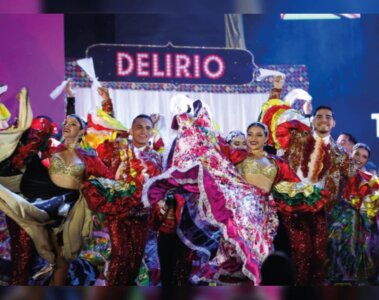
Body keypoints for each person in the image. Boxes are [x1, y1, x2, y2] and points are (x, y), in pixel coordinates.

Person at [0, 88, 113, 285]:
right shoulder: (53, 148)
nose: (68, 125)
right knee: (28, 256)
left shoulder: (90, 156)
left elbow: (108, 181)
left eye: (73, 124)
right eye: (66, 123)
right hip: (38, 207)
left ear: (83, 130)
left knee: (61, 259)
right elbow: (26, 141)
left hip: (69, 213)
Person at [260, 78, 356, 285]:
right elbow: (273, 121)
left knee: (319, 254)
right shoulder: (299, 139)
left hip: (321, 206)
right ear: (312, 121)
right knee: (301, 251)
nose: (323, 120)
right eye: (319, 116)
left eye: (328, 117)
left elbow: (352, 177)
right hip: (293, 204)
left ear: (333, 123)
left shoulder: (339, 152)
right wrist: (278, 92)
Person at [82, 113, 163, 286]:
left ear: (152, 132)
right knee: (120, 254)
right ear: (131, 130)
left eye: (148, 128)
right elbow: (103, 175)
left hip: (141, 214)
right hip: (118, 212)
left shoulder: (156, 158)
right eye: (139, 127)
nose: (143, 131)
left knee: (135, 258)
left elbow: (158, 186)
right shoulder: (117, 150)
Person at [327, 143, 378, 284]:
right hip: (336, 215)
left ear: (367, 161)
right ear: (351, 153)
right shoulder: (338, 171)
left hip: (358, 221)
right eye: (357, 154)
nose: (359, 159)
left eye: (364, 157)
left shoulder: (369, 180)